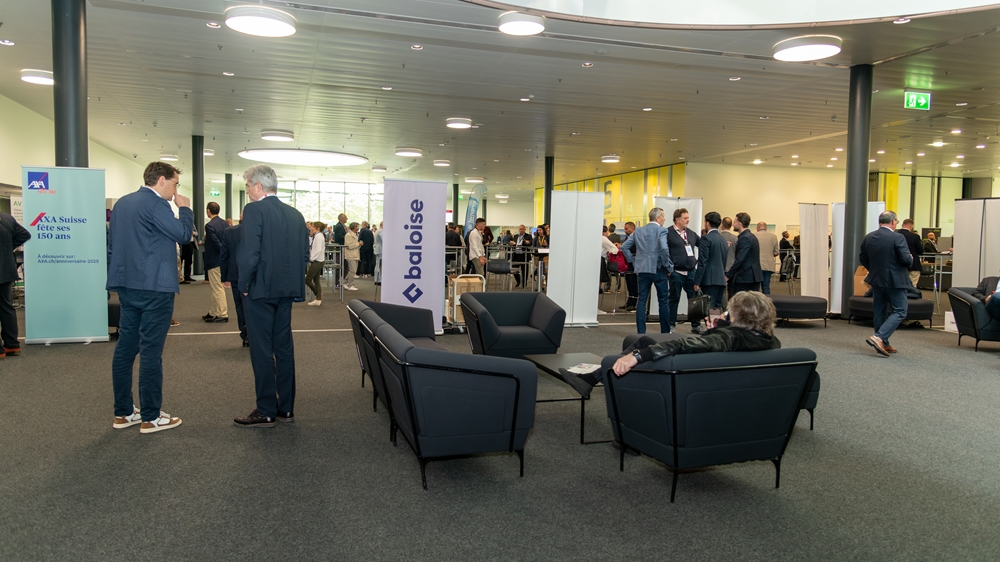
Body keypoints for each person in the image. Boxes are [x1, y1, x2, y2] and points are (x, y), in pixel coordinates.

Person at [559, 291, 780, 397]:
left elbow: (689, 345)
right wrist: (720, 327)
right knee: (643, 340)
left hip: (684, 376)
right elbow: (716, 345)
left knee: (638, 351)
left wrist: (638, 356)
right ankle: (592, 378)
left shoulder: (729, 337)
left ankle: (596, 377)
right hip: (711, 377)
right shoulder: (770, 342)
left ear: (737, 315)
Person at [108, 161, 192, 434]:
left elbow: (113, 245)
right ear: (161, 181)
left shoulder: (122, 204)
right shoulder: (157, 204)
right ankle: (151, 417)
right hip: (155, 287)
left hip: (127, 285)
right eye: (175, 184)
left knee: (125, 348)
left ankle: (123, 412)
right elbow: (183, 235)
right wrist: (185, 209)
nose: (175, 190)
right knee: (151, 352)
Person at [235, 164, 308, 427]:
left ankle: (266, 409)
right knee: (284, 348)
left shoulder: (254, 210)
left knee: (262, 349)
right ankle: (286, 408)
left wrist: (244, 283)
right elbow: (304, 254)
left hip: (259, 290)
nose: (247, 192)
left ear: (258, 186)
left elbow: (249, 252)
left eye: (247, 186)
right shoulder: (295, 214)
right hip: (286, 290)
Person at [859, 211, 913, 357]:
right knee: (900, 311)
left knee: (880, 311)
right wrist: (911, 258)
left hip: (877, 280)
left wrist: (875, 269)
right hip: (896, 281)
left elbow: (862, 257)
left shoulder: (869, 237)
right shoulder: (897, 237)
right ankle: (879, 337)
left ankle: (884, 342)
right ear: (893, 221)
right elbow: (906, 259)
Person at [620, 207, 673, 334]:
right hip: (658, 269)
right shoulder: (662, 230)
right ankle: (665, 332)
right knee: (663, 301)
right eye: (663, 216)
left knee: (642, 300)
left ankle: (641, 332)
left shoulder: (638, 230)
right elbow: (664, 249)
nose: (664, 219)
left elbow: (624, 247)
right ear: (658, 218)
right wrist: (668, 265)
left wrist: (633, 260)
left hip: (642, 269)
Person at [665, 208, 701, 333]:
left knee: (694, 299)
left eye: (688, 218)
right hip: (676, 272)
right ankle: (671, 324)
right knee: (674, 299)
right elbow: (663, 251)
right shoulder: (668, 233)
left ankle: (696, 325)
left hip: (691, 272)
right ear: (677, 219)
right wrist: (668, 268)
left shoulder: (691, 233)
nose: (688, 220)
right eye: (685, 218)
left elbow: (703, 244)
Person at [0, 210, 30, 359]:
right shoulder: (7, 218)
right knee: (6, 307)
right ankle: (11, 344)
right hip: (6, 269)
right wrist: (6, 248)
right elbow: (25, 235)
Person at [220, 214, 247, 346]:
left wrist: (225, 277)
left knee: (240, 305)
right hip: (256, 275)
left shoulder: (229, 232)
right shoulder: (261, 230)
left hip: (235, 274)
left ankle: (245, 334)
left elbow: (224, 255)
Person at [692, 212, 728, 309]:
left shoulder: (706, 239)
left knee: (708, 308)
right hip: (720, 279)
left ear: (707, 223)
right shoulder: (723, 240)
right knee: (717, 308)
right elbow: (724, 260)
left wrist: (697, 281)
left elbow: (702, 261)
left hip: (709, 279)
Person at [202, 202, 229, 323]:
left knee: (218, 288)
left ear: (208, 211)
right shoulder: (225, 224)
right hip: (223, 260)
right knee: (215, 287)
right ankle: (213, 312)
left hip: (214, 260)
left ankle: (222, 313)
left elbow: (215, 243)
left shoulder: (209, 226)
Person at [727, 212, 762, 295]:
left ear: (740, 223)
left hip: (746, 278)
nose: (732, 224)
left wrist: (728, 275)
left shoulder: (745, 238)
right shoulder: (750, 236)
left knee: (741, 301)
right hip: (751, 277)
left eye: (734, 222)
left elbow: (740, 259)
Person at [753, 221, 780, 295]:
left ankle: (756, 301)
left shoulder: (753, 235)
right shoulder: (773, 236)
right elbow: (776, 252)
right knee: (766, 286)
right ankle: (766, 301)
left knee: (756, 287)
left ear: (757, 228)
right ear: (766, 228)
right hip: (768, 265)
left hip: (756, 265)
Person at [305, 221, 327, 305]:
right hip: (318, 261)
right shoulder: (317, 236)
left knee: (307, 280)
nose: (311, 228)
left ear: (318, 228)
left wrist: (311, 258)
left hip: (317, 261)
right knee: (316, 280)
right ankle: (318, 298)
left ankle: (318, 294)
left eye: (313, 227)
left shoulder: (319, 236)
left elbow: (318, 250)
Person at [897, 219, 924, 287]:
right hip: (913, 265)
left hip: (898, 265)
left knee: (898, 286)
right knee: (912, 286)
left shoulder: (894, 235)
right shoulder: (915, 236)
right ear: (911, 226)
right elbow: (920, 251)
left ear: (902, 225)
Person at [621, 221, 638, 311]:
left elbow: (635, 249)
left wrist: (630, 257)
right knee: (629, 283)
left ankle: (634, 303)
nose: (625, 230)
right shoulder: (627, 238)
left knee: (633, 283)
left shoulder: (636, 237)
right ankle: (629, 301)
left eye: (626, 229)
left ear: (632, 228)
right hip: (628, 264)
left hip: (634, 263)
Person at [600, 225, 619, 293]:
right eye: (607, 231)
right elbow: (614, 249)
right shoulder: (603, 238)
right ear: (603, 232)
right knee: (600, 277)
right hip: (601, 259)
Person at [344, 222, 362, 291]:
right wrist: (358, 244)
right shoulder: (348, 235)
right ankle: (350, 285)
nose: (358, 228)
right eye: (357, 226)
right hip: (350, 255)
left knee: (353, 271)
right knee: (353, 271)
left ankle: (344, 282)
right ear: (354, 227)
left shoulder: (355, 235)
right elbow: (349, 246)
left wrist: (359, 244)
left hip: (355, 254)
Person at [333, 213, 347, 286]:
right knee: (339, 264)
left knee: (344, 265)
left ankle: (341, 281)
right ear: (341, 218)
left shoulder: (342, 226)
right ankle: (337, 281)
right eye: (345, 217)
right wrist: (347, 236)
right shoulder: (339, 226)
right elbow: (338, 237)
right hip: (340, 248)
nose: (347, 219)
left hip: (342, 248)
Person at [373, 221, 384, 285]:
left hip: (378, 250)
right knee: (379, 266)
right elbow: (385, 240)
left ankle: (377, 279)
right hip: (380, 250)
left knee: (378, 265)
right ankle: (378, 280)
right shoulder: (381, 231)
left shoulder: (378, 231)